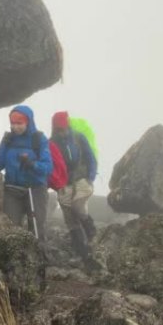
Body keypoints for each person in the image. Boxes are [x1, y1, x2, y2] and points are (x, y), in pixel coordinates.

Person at [0, 106, 53, 239]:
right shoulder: (8, 139)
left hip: (35, 189)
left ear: (28, 122)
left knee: (36, 228)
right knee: (11, 229)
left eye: (19, 123)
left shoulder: (38, 139)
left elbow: (48, 167)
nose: (15, 127)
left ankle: (39, 255)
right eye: (13, 123)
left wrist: (32, 164)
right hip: (12, 190)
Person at [50, 111, 98, 265]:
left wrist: (90, 177)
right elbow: (51, 166)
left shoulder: (78, 137)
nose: (62, 132)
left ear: (68, 125)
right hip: (64, 184)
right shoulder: (51, 143)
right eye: (59, 129)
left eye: (63, 128)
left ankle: (91, 233)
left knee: (78, 206)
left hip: (82, 180)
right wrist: (56, 185)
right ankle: (82, 252)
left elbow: (90, 157)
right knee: (70, 218)